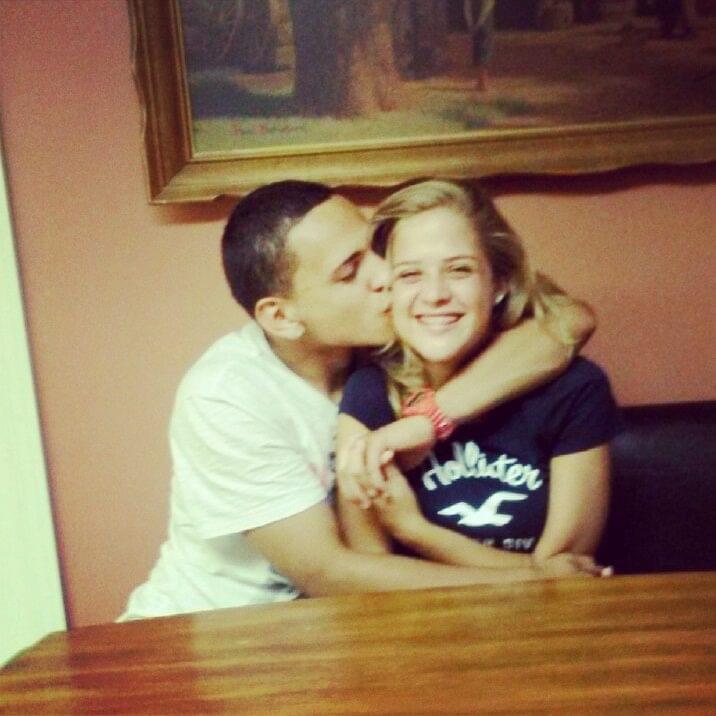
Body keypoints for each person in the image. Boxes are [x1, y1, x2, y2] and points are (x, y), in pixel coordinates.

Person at [120, 180, 600, 621]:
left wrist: (429, 419)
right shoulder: (227, 396)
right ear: (283, 317)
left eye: (374, 249)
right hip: (218, 628)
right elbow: (327, 573)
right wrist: (537, 580)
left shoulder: (384, 341)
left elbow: (568, 321)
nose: (384, 276)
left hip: (329, 630)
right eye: (350, 271)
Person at [337, 180, 620, 571]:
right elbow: (374, 573)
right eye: (410, 275)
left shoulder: (575, 389)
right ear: (390, 289)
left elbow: (567, 572)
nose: (434, 294)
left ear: (498, 283)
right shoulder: (371, 391)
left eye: (459, 270)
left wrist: (415, 531)